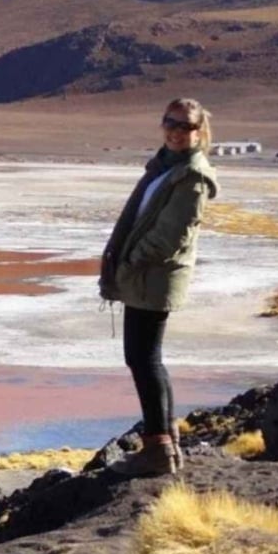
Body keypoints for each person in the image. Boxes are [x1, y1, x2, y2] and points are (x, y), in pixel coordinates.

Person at [98, 98, 219, 477]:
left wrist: (131, 263)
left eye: (186, 127)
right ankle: (165, 443)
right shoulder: (163, 168)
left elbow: (170, 236)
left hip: (154, 276)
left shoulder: (192, 177)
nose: (177, 132)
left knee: (143, 358)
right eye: (171, 123)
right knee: (146, 358)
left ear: (199, 132)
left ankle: (158, 449)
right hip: (145, 275)